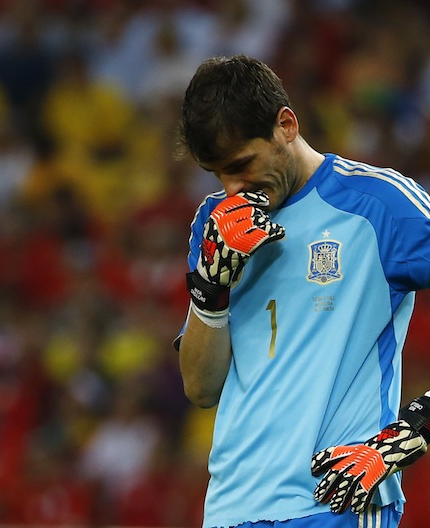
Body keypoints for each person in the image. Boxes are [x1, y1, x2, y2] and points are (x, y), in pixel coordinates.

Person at [175, 54, 430, 528]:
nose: (233, 188)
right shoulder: (216, 226)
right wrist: (210, 288)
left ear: (286, 126)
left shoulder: (381, 206)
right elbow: (201, 387)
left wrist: (413, 429)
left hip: (336, 503)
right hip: (232, 508)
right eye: (218, 175)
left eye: (242, 164)